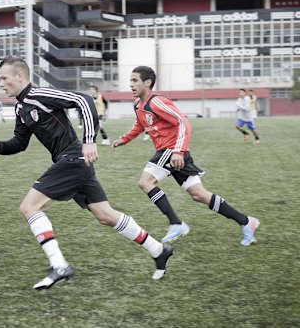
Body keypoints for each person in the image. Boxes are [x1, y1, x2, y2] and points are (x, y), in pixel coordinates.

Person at [0, 56, 174, 290]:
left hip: (73, 157)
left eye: (4, 78)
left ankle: (59, 265)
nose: (1, 83)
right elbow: (20, 143)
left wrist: (89, 140)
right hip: (73, 162)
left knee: (29, 207)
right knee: (105, 215)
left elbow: (81, 99)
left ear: (19, 76)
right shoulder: (22, 107)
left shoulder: (39, 95)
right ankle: (158, 249)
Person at [111, 66, 259, 246]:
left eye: (135, 81)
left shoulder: (156, 101)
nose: (131, 85)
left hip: (171, 150)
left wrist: (178, 151)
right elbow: (140, 125)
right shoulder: (138, 104)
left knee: (145, 182)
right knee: (199, 195)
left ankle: (176, 223)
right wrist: (124, 139)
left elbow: (182, 122)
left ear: (147, 82)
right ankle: (246, 222)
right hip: (171, 153)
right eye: (130, 81)